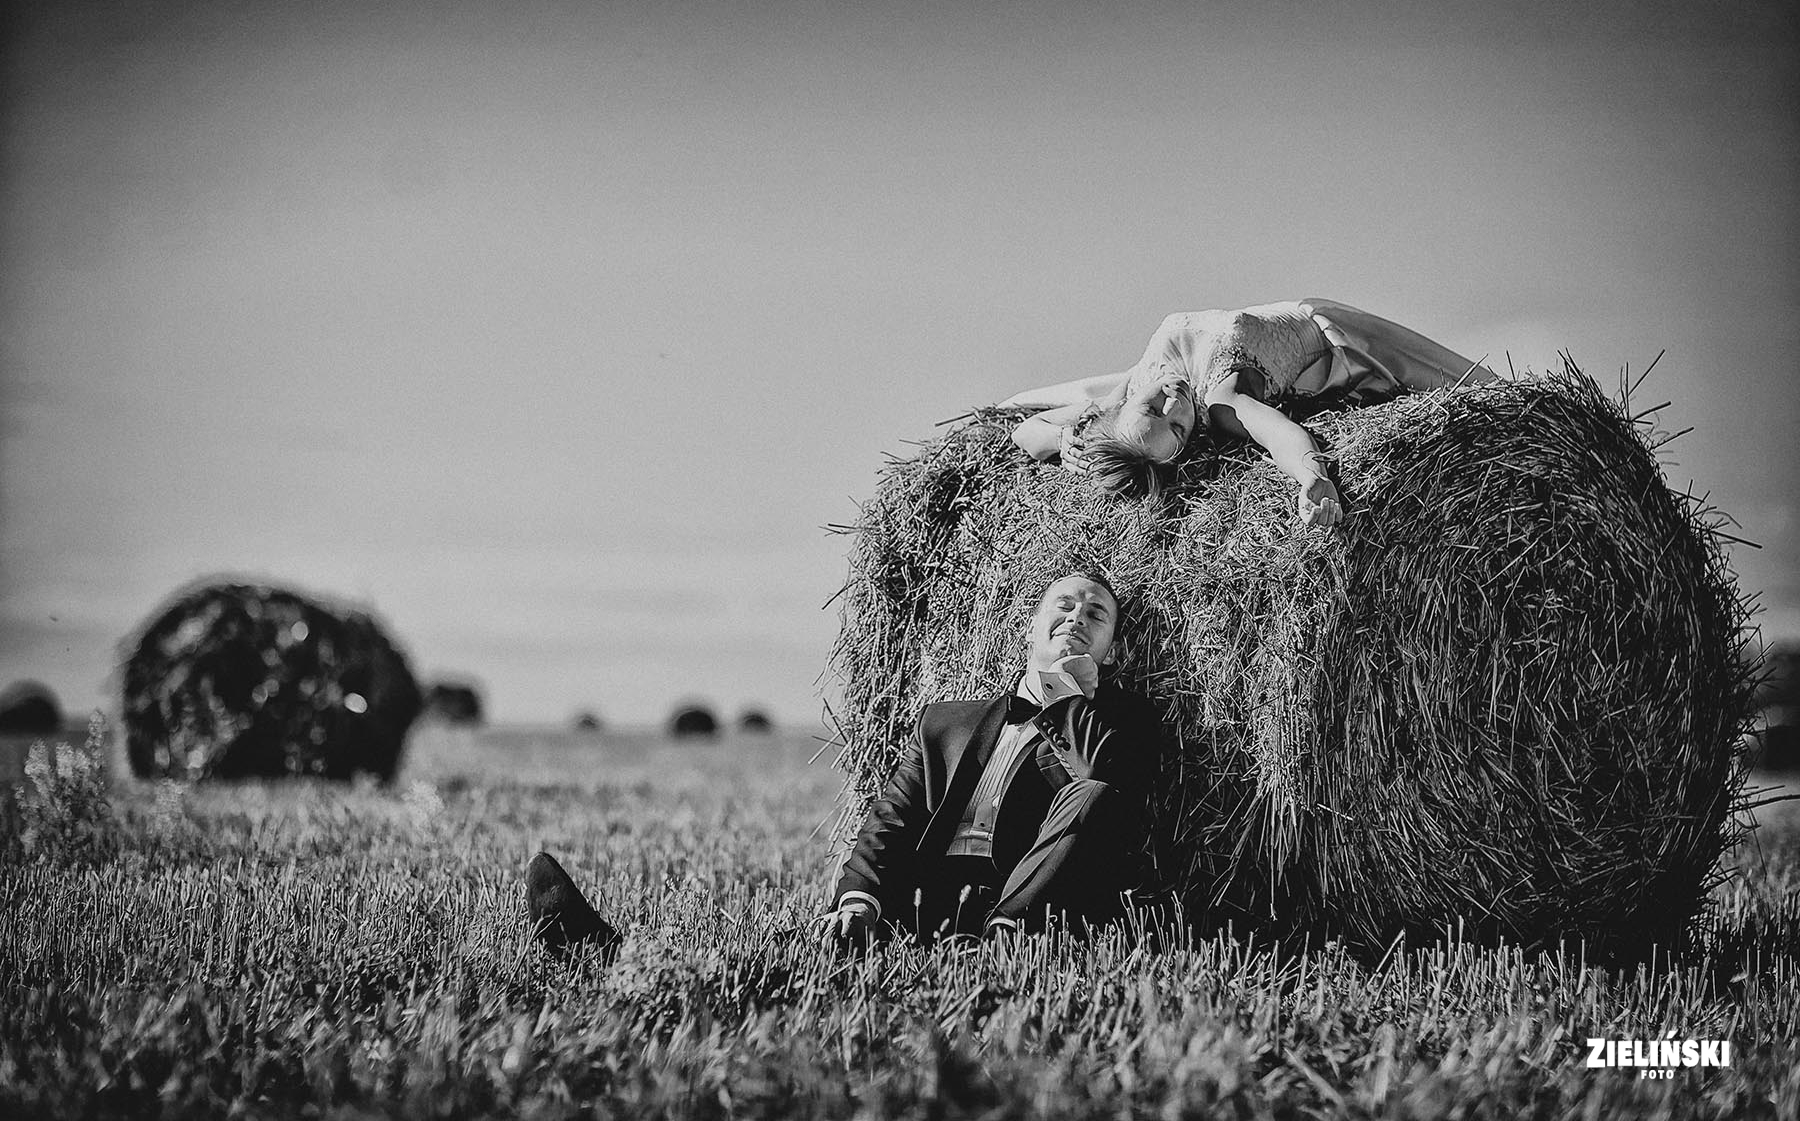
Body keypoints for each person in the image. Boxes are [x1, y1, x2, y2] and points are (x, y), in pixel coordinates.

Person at [523, 569, 1161, 956]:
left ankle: (1003, 945)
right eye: (1064, 606)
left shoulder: (1123, 723)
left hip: (1020, 909)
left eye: (1096, 614)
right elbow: (893, 817)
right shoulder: (948, 721)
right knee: (791, 953)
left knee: (1095, 795)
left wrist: (1069, 697)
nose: (1077, 617)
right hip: (919, 897)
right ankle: (609, 950)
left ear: (1111, 647)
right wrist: (859, 898)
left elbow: (1103, 790)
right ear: (1029, 627)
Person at [1005, 298, 1497, 518]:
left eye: (1154, 408)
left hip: (1318, 316)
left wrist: (1063, 439)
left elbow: (1025, 431)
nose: (1174, 403)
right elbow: (1277, 433)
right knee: (1489, 398)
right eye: (1178, 428)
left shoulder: (1125, 391)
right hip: (1347, 344)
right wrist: (1311, 478)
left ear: (1120, 413)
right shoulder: (1221, 400)